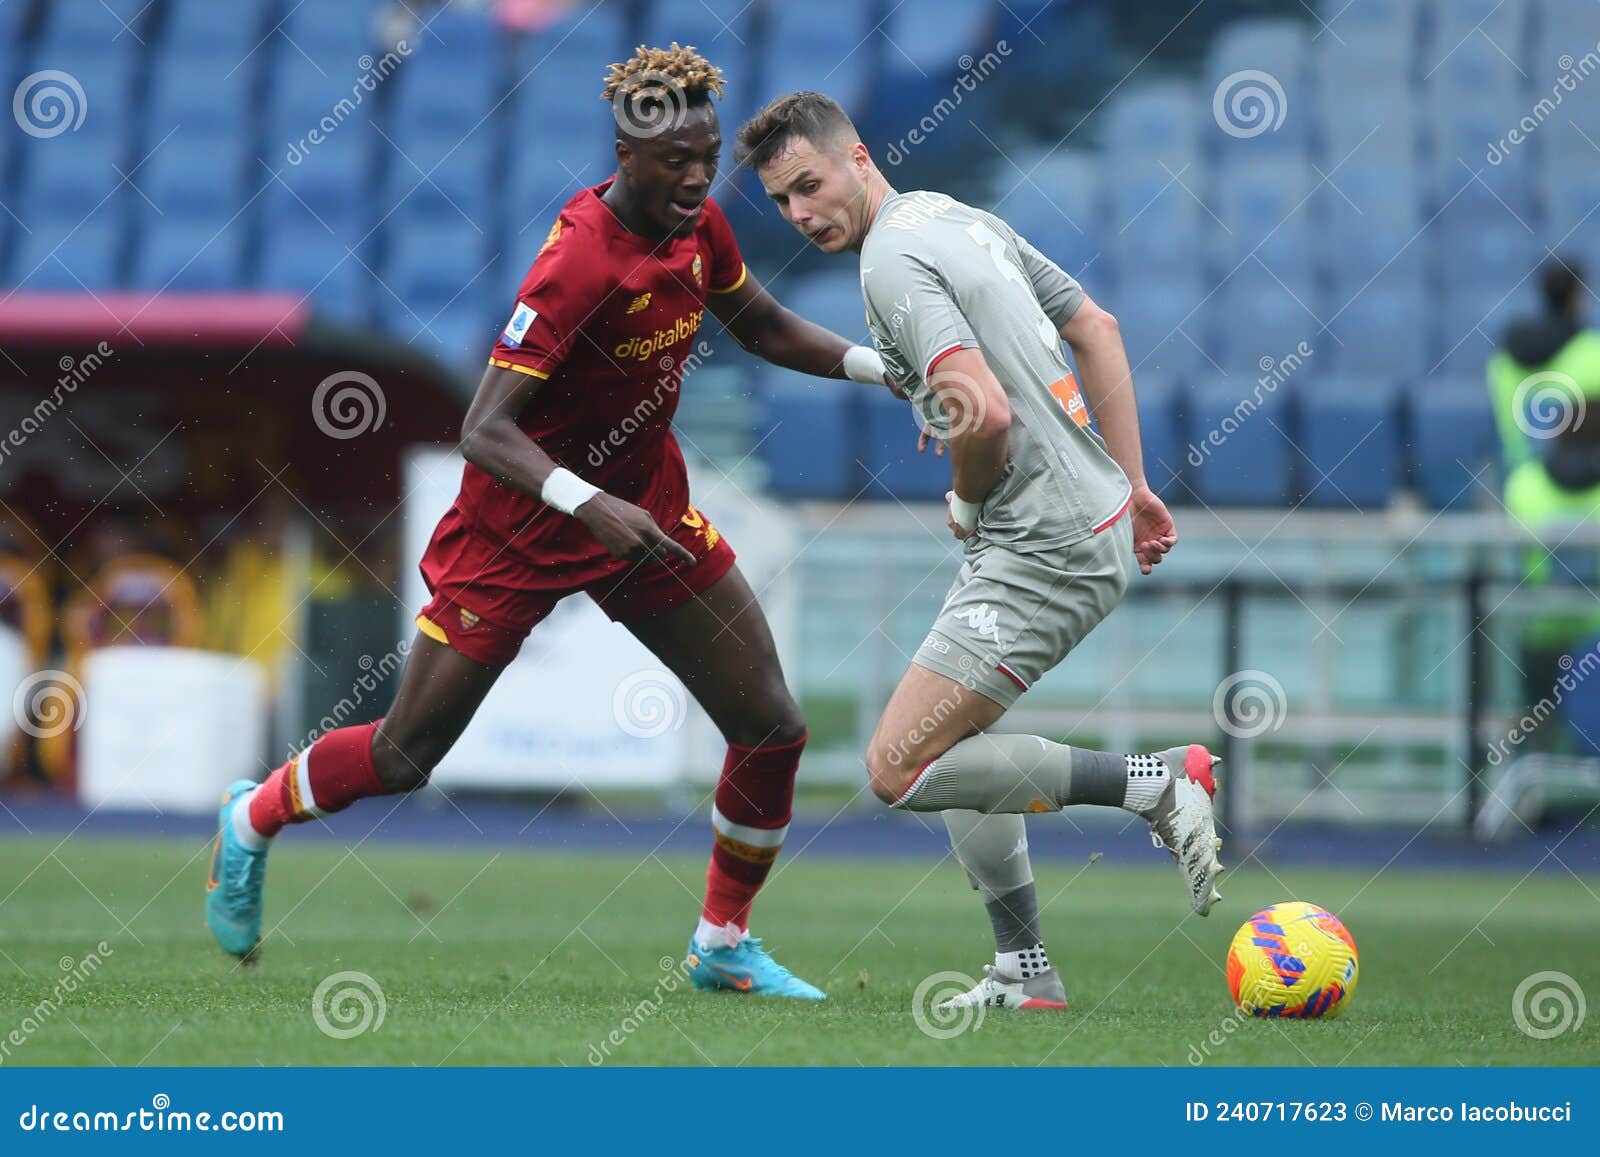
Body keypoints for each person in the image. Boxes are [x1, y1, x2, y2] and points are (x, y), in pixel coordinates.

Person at [205, 46, 897, 999]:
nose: (698, 177)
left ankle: (723, 943)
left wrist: (883, 369)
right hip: (520, 532)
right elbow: (483, 430)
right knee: (406, 756)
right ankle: (254, 815)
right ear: (626, 153)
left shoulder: (700, 227)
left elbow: (766, 327)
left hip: (645, 517)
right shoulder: (578, 263)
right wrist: (586, 502)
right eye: (676, 162)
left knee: (772, 724)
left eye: (706, 157)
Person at [737, 91, 1222, 1012]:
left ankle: (1157, 782)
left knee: (897, 766)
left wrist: (965, 490)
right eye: (780, 202)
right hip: (1081, 519)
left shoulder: (889, 261)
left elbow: (985, 411)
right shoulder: (955, 217)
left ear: (859, 160)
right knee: (955, 741)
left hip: (1040, 542)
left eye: (809, 185)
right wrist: (1136, 485)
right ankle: (1025, 972)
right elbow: (1096, 329)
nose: (801, 214)